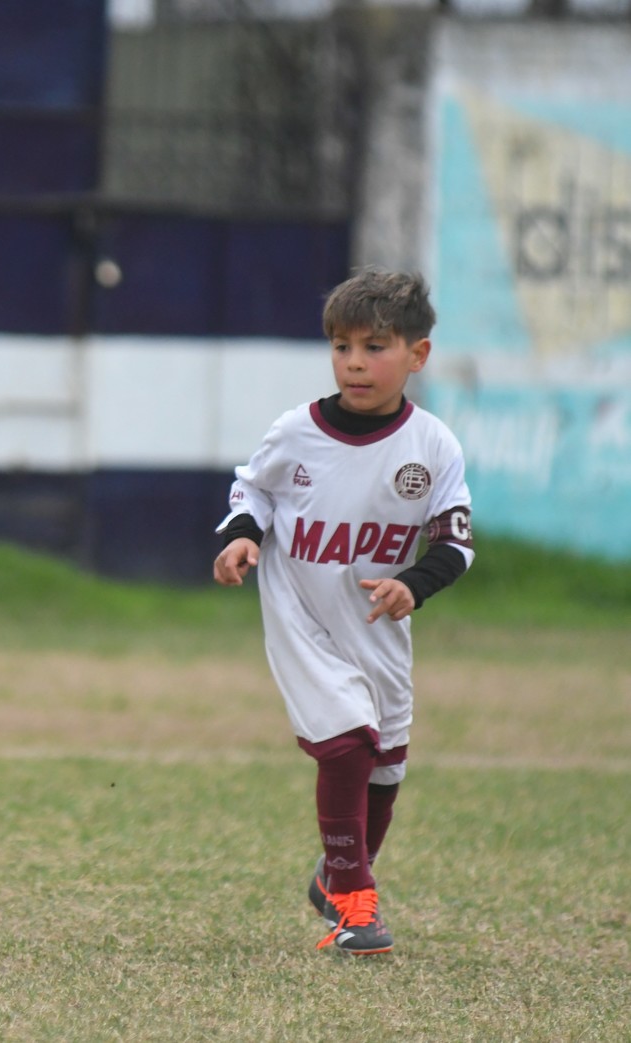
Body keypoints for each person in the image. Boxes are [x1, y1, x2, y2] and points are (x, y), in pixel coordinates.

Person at [212, 269, 475, 956]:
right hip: (300, 610)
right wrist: (241, 535)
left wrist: (411, 585)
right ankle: (356, 908)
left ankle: (334, 876)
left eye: (374, 346)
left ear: (416, 355)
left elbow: (455, 542)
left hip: (374, 625)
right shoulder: (296, 430)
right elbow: (254, 491)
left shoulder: (433, 446)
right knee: (345, 741)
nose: (354, 362)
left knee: (384, 765)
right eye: (340, 346)